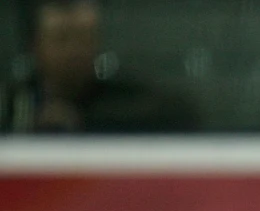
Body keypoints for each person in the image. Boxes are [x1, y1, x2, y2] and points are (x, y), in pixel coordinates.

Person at [1, 0, 198, 133]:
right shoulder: (14, 102)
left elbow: (181, 112)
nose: (74, 50)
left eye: (84, 38)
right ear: (35, 46)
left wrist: (84, 121)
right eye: (62, 39)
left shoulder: (124, 99)